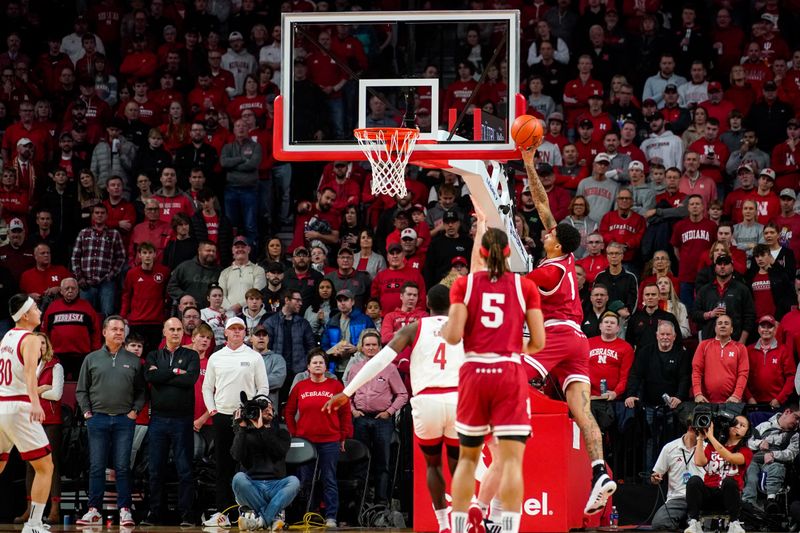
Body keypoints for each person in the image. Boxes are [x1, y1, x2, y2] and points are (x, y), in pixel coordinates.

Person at [520, 146, 617, 515]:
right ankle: (599, 473)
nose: (543, 232)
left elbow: (515, 291)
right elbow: (543, 205)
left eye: (548, 235)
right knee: (582, 409)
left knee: (514, 374)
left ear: (555, 242)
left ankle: (520, 438)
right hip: (578, 339)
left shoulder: (548, 271)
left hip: (558, 333)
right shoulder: (566, 255)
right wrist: (529, 165)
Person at [324, 284, 465, 533]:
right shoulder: (463, 327)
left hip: (426, 401)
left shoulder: (415, 327)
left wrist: (346, 392)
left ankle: (443, 523)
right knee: (458, 464)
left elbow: (379, 361)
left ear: (427, 305)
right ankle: (463, 522)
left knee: (433, 465)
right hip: (456, 399)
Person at [441, 203, 545, 533]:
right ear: (509, 252)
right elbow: (539, 342)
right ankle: (507, 527)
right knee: (512, 461)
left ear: (482, 253)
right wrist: (513, 348)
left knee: (468, 460)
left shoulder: (464, 285)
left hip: (474, 373)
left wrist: (448, 328)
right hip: (509, 372)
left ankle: (460, 526)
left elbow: (454, 336)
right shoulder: (524, 286)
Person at [75, 315, 145, 527]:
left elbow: (141, 392)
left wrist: (135, 411)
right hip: (98, 420)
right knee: (96, 466)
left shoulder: (133, 360)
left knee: (123, 466)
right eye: (114, 329)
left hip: (124, 421)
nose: (118, 332)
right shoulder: (91, 358)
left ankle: (125, 510)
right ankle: (94, 510)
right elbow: (81, 390)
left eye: (121, 330)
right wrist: (87, 412)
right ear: (104, 332)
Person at [202, 317, 269, 528]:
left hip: (247, 418)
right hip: (222, 416)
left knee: (249, 465)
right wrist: (212, 409)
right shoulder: (216, 357)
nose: (237, 332)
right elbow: (207, 387)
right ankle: (224, 512)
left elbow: (263, 388)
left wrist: (255, 408)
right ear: (226, 333)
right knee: (223, 465)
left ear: (245, 333)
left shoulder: (254, 357)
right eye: (233, 329)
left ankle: (249, 511)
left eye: (241, 329)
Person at [0, 295, 55, 533]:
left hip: (2, 405)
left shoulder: (7, 336)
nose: (40, 311)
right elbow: (31, 373)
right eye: (35, 308)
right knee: (45, 466)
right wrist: (35, 402)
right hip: (19, 408)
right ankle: (33, 525)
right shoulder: (31, 339)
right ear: (25, 315)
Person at [285, 349, 353, 528]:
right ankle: (309, 514)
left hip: (330, 440)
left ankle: (331, 516)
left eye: (321, 362)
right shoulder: (300, 386)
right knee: (305, 479)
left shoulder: (336, 386)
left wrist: (344, 435)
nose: (317, 365)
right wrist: (294, 432)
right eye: (314, 362)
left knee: (329, 478)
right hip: (305, 441)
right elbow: (289, 411)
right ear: (308, 367)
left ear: (325, 366)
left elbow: (345, 412)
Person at [142, 317, 200, 527]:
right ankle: (155, 513)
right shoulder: (153, 355)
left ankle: (186, 514)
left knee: (185, 469)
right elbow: (150, 378)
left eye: (179, 329)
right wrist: (176, 372)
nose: (176, 333)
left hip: (182, 420)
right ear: (164, 332)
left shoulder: (191, 354)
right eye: (172, 329)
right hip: (158, 419)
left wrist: (163, 374)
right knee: (156, 469)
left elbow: (190, 380)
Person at [14, 333, 63, 525]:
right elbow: (19, 393)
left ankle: (54, 509)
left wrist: (37, 390)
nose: (39, 346)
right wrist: (42, 388)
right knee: (30, 467)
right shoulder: (24, 366)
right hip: (28, 420)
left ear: (47, 345)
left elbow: (57, 394)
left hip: (51, 420)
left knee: (51, 465)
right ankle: (30, 510)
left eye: (43, 343)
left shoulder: (56, 365)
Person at [231, 395, 299, 532]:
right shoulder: (245, 433)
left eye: (270, 409)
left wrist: (262, 429)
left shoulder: (282, 433)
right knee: (238, 478)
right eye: (264, 409)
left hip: (275, 486)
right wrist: (242, 428)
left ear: (274, 414)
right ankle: (271, 517)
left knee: (294, 481)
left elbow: (278, 453)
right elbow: (237, 456)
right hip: (252, 486)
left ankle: (260, 521)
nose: (268, 411)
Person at [684, 416, 753, 533]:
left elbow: (729, 457)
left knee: (730, 481)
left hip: (729, 498)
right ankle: (694, 522)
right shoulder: (711, 446)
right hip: (708, 495)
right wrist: (700, 437)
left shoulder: (746, 451)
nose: (737, 426)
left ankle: (734, 523)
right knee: (694, 480)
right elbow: (699, 462)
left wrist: (710, 437)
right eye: (735, 423)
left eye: (742, 425)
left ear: (747, 432)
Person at [70, 203, 126, 317]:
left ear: (106, 216)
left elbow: (121, 257)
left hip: (106, 282)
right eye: (97, 213)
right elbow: (75, 257)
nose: (99, 215)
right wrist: (79, 277)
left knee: (108, 314)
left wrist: (111, 275)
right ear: (92, 216)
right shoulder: (83, 233)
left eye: (102, 213)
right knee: (85, 315)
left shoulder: (114, 234)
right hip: (86, 282)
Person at [40, 277, 102, 380]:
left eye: (73, 288)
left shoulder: (87, 307)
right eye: (67, 288)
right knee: (57, 387)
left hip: (82, 356)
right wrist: (45, 352)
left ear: (78, 290)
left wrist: (95, 353)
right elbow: (44, 332)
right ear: (61, 291)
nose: (70, 291)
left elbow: (96, 332)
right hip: (57, 356)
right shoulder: (52, 307)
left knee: (80, 387)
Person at [742, 405, 800, 513]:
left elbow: (791, 454)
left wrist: (773, 454)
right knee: (750, 470)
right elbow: (749, 442)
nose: (797, 422)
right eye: (796, 418)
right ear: (787, 411)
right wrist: (759, 443)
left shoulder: (795, 435)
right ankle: (748, 503)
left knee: (777, 468)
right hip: (756, 458)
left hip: (775, 461)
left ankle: (771, 501)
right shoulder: (765, 425)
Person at [650, 419, 706, 530]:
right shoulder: (669, 448)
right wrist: (655, 478)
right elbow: (655, 476)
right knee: (659, 524)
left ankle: (689, 521)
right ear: (690, 428)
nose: (702, 437)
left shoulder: (707, 448)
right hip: (677, 499)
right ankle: (684, 521)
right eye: (699, 433)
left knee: (705, 526)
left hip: (700, 499)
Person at [692, 255, 755, 343]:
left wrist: (742, 341)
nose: (722, 266)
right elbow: (694, 314)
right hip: (710, 341)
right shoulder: (705, 290)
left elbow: (750, 317)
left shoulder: (742, 289)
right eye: (719, 264)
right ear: (715, 268)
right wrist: (710, 314)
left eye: (725, 264)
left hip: (735, 341)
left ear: (732, 268)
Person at [692, 315, 750, 404]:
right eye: (720, 323)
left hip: (732, 402)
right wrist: (698, 394)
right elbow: (696, 371)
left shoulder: (740, 348)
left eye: (726, 323)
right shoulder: (703, 345)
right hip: (706, 401)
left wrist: (736, 395)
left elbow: (743, 374)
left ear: (731, 329)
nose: (723, 326)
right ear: (715, 328)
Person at [744, 315, 794, 407]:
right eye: (763, 326)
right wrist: (749, 398)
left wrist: (779, 399)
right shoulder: (748, 350)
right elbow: (742, 376)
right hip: (753, 403)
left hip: (776, 403)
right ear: (758, 330)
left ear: (775, 330)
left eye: (770, 327)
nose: (766, 330)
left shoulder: (784, 350)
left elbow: (791, 377)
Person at [249, 325, 287, 409]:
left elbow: (278, 380)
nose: (261, 337)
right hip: (247, 410)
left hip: (269, 412)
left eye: (264, 335)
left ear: (268, 339)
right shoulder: (244, 358)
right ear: (251, 338)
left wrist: (249, 382)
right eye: (258, 335)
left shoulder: (277, 359)